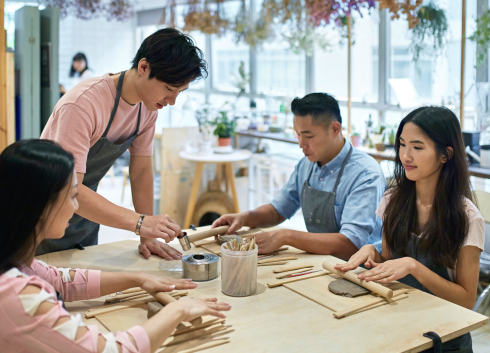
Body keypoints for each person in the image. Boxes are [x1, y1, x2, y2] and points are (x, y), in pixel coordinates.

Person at [0, 139, 230, 353]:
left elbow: (62, 281)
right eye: (73, 196)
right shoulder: (17, 296)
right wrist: (177, 310)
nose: (76, 207)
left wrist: (137, 278)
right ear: (42, 207)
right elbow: (114, 349)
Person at [40, 28, 208, 258]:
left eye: (180, 91)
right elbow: (70, 188)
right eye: (169, 89)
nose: (172, 101)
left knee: (81, 286)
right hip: (41, 213)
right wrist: (140, 223)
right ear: (143, 67)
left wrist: (147, 236)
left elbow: (141, 171)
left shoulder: (147, 109)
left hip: (84, 218)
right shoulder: (83, 105)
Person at [335, 106, 484, 352]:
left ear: (445, 154)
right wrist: (372, 253)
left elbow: (466, 300)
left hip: (444, 339)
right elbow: (390, 261)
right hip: (400, 328)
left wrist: (414, 266)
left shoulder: (467, 217)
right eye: (402, 144)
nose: (405, 156)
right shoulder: (393, 199)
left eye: (417, 147)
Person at [213, 93, 385, 260]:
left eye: (309, 136)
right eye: (298, 134)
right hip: (322, 262)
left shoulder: (365, 174)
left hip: (362, 273)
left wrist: (286, 236)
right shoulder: (307, 164)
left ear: (335, 129)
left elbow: (351, 245)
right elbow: (277, 210)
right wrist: (245, 218)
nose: (301, 144)